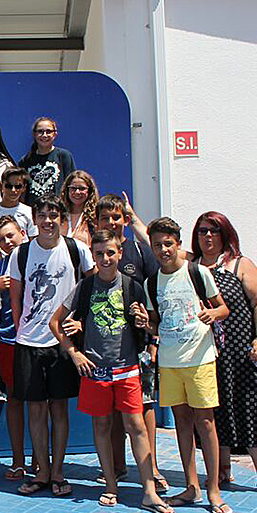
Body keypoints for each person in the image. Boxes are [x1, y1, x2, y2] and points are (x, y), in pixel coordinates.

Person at [48, 230, 173, 513]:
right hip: (96, 371)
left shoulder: (133, 286)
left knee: (137, 427)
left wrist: (144, 324)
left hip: (127, 368)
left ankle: (149, 491)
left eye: (111, 253)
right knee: (102, 427)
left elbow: (152, 325)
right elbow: (55, 322)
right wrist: (74, 352)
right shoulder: (85, 287)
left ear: (120, 253)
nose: (105, 259)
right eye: (99, 253)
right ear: (92, 255)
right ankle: (111, 485)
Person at [190, 211, 257, 499]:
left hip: (242, 351)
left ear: (225, 234)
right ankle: (222, 468)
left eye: (214, 230)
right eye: (203, 231)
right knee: (216, 410)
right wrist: (132, 220)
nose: (208, 236)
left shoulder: (240, 265)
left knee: (251, 406)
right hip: (207, 353)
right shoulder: (193, 267)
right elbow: (159, 242)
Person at [143, 216, 233, 513]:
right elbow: (156, 323)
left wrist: (214, 314)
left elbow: (223, 307)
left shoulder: (198, 272)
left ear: (178, 244)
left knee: (205, 423)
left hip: (200, 359)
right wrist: (145, 323)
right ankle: (191, 486)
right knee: (182, 423)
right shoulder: (151, 282)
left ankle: (213, 489)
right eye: (158, 245)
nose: (163, 250)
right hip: (170, 362)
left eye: (168, 244)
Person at [9, 195, 94, 497]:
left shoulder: (76, 249)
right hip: (29, 343)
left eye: (53, 215)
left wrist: (81, 321)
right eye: (42, 215)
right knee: (35, 410)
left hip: (62, 343)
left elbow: (92, 286)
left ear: (62, 219)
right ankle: (42, 472)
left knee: (59, 409)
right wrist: (22, 330)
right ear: (34, 219)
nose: (48, 221)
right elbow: (15, 296)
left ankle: (58, 472)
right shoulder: (21, 253)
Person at [94, 194, 165, 491]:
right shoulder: (97, 253)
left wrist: (153, 340)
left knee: (145, 408)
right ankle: (118, 466)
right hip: (108, 349)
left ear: (125, 220)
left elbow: (155, 297)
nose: (111, 222)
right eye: (105, 218)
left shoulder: (139, 250)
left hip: (140, 346)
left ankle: (152, 467)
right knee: (111, 411)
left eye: (117, 217)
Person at [0, 216, 31, 477]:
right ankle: (18, 460)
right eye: (1, 239)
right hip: (9, 340)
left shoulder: (39, 260)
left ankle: (41, 461)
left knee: (42, 403)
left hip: (38, 340)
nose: (7, 242)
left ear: (22, 233)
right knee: (14, 399)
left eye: (10, 235)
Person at [19, 116, 75, 207]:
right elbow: (21, 191)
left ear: (55, 134)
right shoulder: (25, 160)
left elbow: (71, 184)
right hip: (33, 211)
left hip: (57, 210)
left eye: (48, 131)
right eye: (40, 131)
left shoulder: (64, 156)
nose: (44, 135)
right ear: (34, 134)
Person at [0, 166, 36, 238]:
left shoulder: (29, 212)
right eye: (8, 186)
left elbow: (33, 238)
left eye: (18, 186)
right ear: (1, 186)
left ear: (24, 187)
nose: (13, 190)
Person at [59, 169, 99, 246]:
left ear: (90, 191)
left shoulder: (95, 218)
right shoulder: (59, 215)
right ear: (67, 190)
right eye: (73, 188)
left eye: (82, 188)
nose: (77, 192)